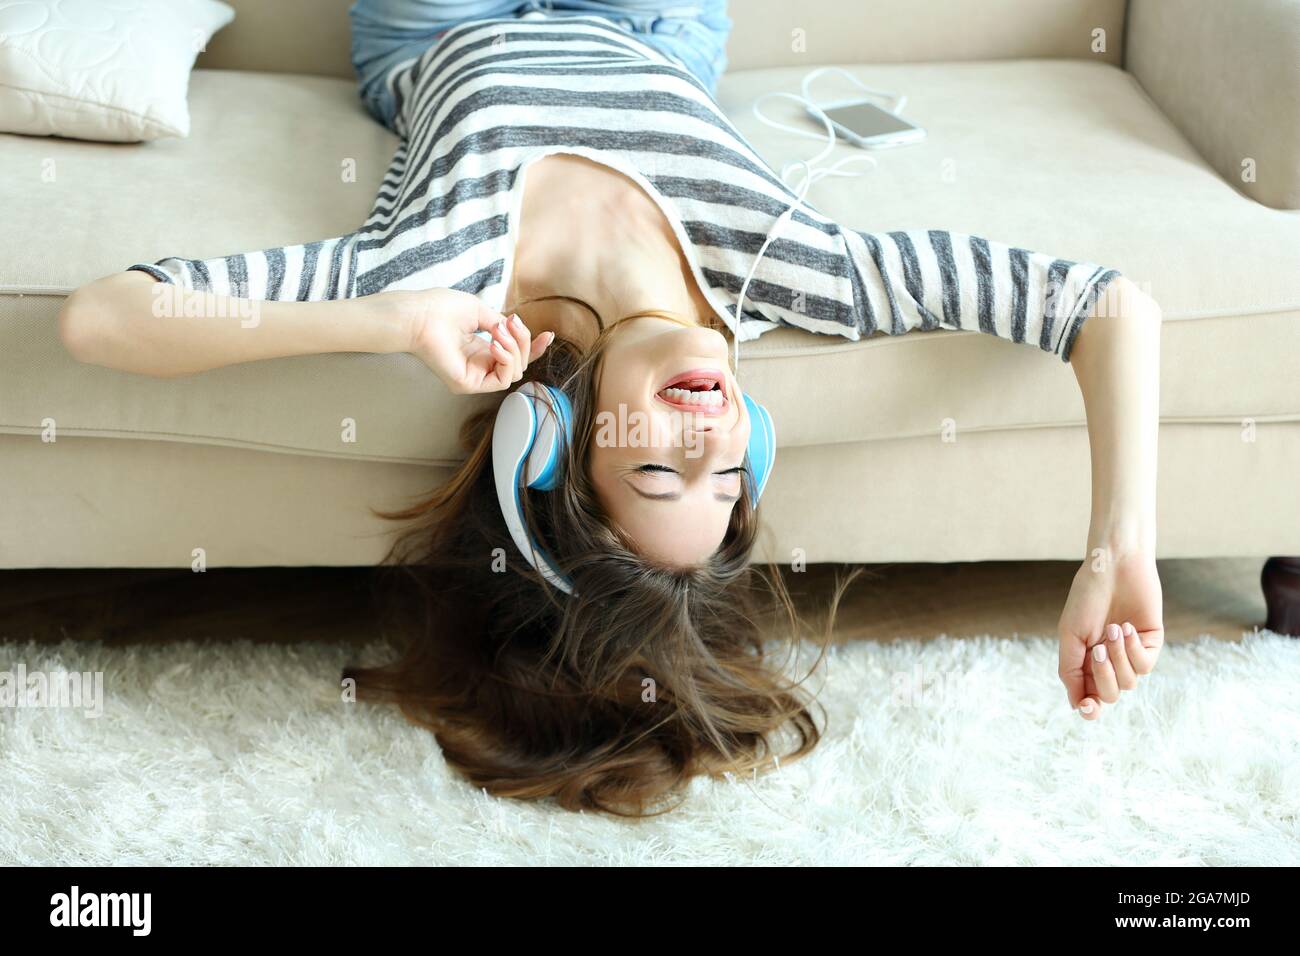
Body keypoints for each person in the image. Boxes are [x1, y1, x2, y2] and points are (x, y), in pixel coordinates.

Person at [58, 2, 1165, 814]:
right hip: (653, 28)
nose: (709, 429)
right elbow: (1105, 304)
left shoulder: (438, 273)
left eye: (656, 470)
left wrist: (391, 319)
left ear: (549, 443)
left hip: (442, 30)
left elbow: (106, 319)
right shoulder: (797, 270)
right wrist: (1117, 542)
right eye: (727, 472)